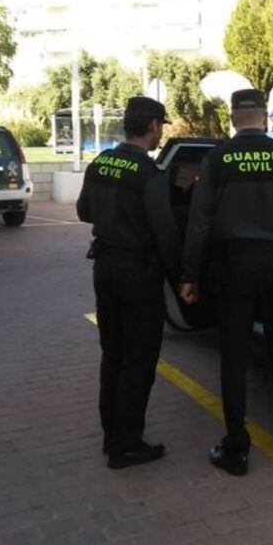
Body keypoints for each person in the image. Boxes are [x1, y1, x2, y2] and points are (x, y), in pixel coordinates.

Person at [179, 89, 273, 476]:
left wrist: (190, 273)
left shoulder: (218, 159)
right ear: (264, 116)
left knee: (235, 357)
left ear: (234, 117)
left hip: (234, 265)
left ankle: (236, 449)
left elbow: (199, 221)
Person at [76, 96, 181, 470]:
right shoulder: (149, 175)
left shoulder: (101, 162)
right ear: (152, 125)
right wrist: (184, 279)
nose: (160, 134)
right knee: (139, 360)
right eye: (160, 127)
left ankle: (112, 436)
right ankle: (127, 444)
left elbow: (83, 210)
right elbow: (166, 233)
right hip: (138, 274)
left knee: (114, 354)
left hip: (104, 268)